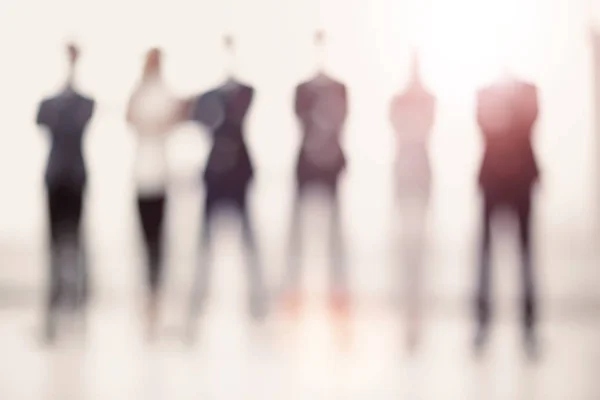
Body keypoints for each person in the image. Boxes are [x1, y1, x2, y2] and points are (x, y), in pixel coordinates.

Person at [187, 35, 265, 338]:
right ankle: (196, 307)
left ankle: (257, 307)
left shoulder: (244, 93)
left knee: (249, 245)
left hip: (238, 178)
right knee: (204, 247)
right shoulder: (207, 99)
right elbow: (195, 116)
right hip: (215, 179)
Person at [283, 30, 350, 316]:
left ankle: (338, 305)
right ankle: (294, 303)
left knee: (335, 239)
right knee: (297, 238)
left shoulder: (339, 89)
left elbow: (341, 122)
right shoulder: (302, 90)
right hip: (306, 170)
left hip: (331, 170)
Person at [475, 68, 540, 354]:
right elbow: (486, 123)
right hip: (492, 181)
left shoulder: (528, 91)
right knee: (485, 257)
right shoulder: (484, 93)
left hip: (522, 181)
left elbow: (528, 121)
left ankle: (529, 327)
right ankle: (482, 324)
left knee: (526, 256)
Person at [126, 47, 190, 339]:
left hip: (162, 180)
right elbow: (131, 118)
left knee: (161, 247)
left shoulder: (166, 93)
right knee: (145, 244)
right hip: (142, 179)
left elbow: (174, 119)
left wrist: (155, 123)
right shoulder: (140, 92)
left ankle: (159, 303)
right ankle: (146, 303)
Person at [36, 42, 95, 342]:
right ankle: (52, 313)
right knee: (54, 248)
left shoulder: (85, 102)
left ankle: (76, 312)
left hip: (75, 179)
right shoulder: (50, 103)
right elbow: (44, 120)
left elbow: (73, 124)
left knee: (75, 247)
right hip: (55, 178)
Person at [389, 48, 436, 350]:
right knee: (405, 252)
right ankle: (407, 315)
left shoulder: (428, 100)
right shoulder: (399, 101)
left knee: (420, 251)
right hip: (405, 180)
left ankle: (416, 316)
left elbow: (421, 129)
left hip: (420, 180)